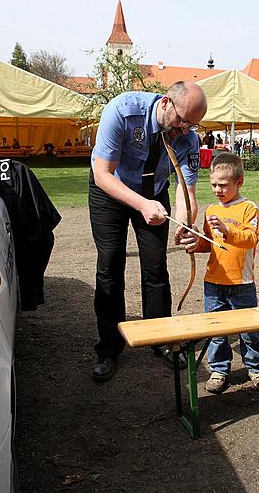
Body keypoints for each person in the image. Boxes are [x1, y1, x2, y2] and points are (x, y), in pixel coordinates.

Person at [88, 81, 207, 382]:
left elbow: (185, 190)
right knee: (111, 263)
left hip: (154, 192)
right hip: (110, 190)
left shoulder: (187, 136)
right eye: (181, 121)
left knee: (155, 265)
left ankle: (160, 337)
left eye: (192, 125)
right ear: (166, 103)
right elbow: (102, 174)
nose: (184, 131)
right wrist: (141, 204)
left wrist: (186, 224)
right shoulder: (122, 111)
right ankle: (109, 346)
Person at [178, 153, 259, 394]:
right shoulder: (210, 210)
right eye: (213, 185)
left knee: (249, 331)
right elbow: (210, 244)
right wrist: (194, 242)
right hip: (214, 283)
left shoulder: (249, 209)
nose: (217, 190)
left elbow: (250, 239)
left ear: (239, 182)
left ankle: (256, 368)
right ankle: (219, 370)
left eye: (223, 185)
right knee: (217, 332)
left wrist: (227, 229)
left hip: (242, 282)